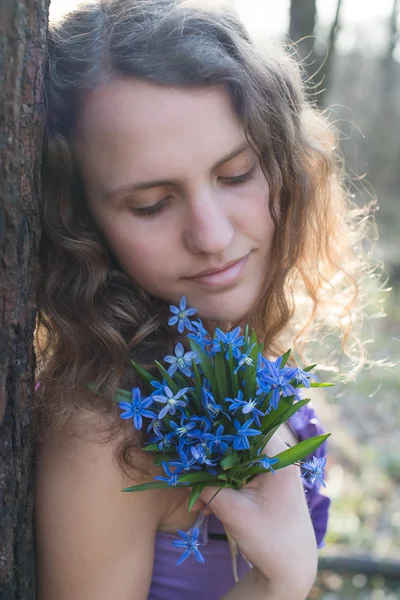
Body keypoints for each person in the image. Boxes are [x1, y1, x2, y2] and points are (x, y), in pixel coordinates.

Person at [33, 0, 375, 598]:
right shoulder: (106, 433)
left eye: (238, 173)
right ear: (81, 223)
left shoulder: (225, 345)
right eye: (151, 205)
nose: (212, 237)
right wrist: (280, 581)